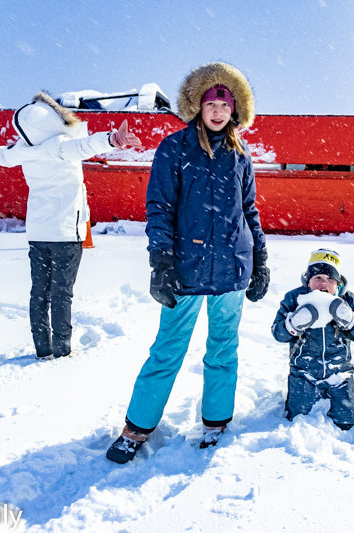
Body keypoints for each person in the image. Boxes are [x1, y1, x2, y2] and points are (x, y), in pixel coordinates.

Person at [106, 62, 269, 464]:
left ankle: (216, 421)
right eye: (211, 103)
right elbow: (159, 207)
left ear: (234, 110)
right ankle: (136, 429)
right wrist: (160, 261)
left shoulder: (239, 154)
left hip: (232, 269)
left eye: (224, 104)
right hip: (186, 270)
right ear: (197, 105)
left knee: (223, 348)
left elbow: (248, 210)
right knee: (168, 349)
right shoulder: (174, 148)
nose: (217, 111)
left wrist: (261, 258)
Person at [0, 92, 141, 359]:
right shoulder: (61, 146)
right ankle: (62, 350)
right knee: (62, 294)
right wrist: (113, 139)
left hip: (38, 234)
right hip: (65, 234)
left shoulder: (23, 151)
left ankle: (42, 348)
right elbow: (87, 146)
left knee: (39, 293)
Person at [271, 249, 354, 431]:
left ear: (338, 284)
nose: (323, 283)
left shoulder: (350, 301)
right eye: (317, 277)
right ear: (308, 280)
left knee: (348, 421)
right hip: (303, 373)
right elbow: (278, 333)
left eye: (330, 279)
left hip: (340, 374)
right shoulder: (294, 299)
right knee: (298, 420)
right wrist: (293, 324)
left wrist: (350, 321)